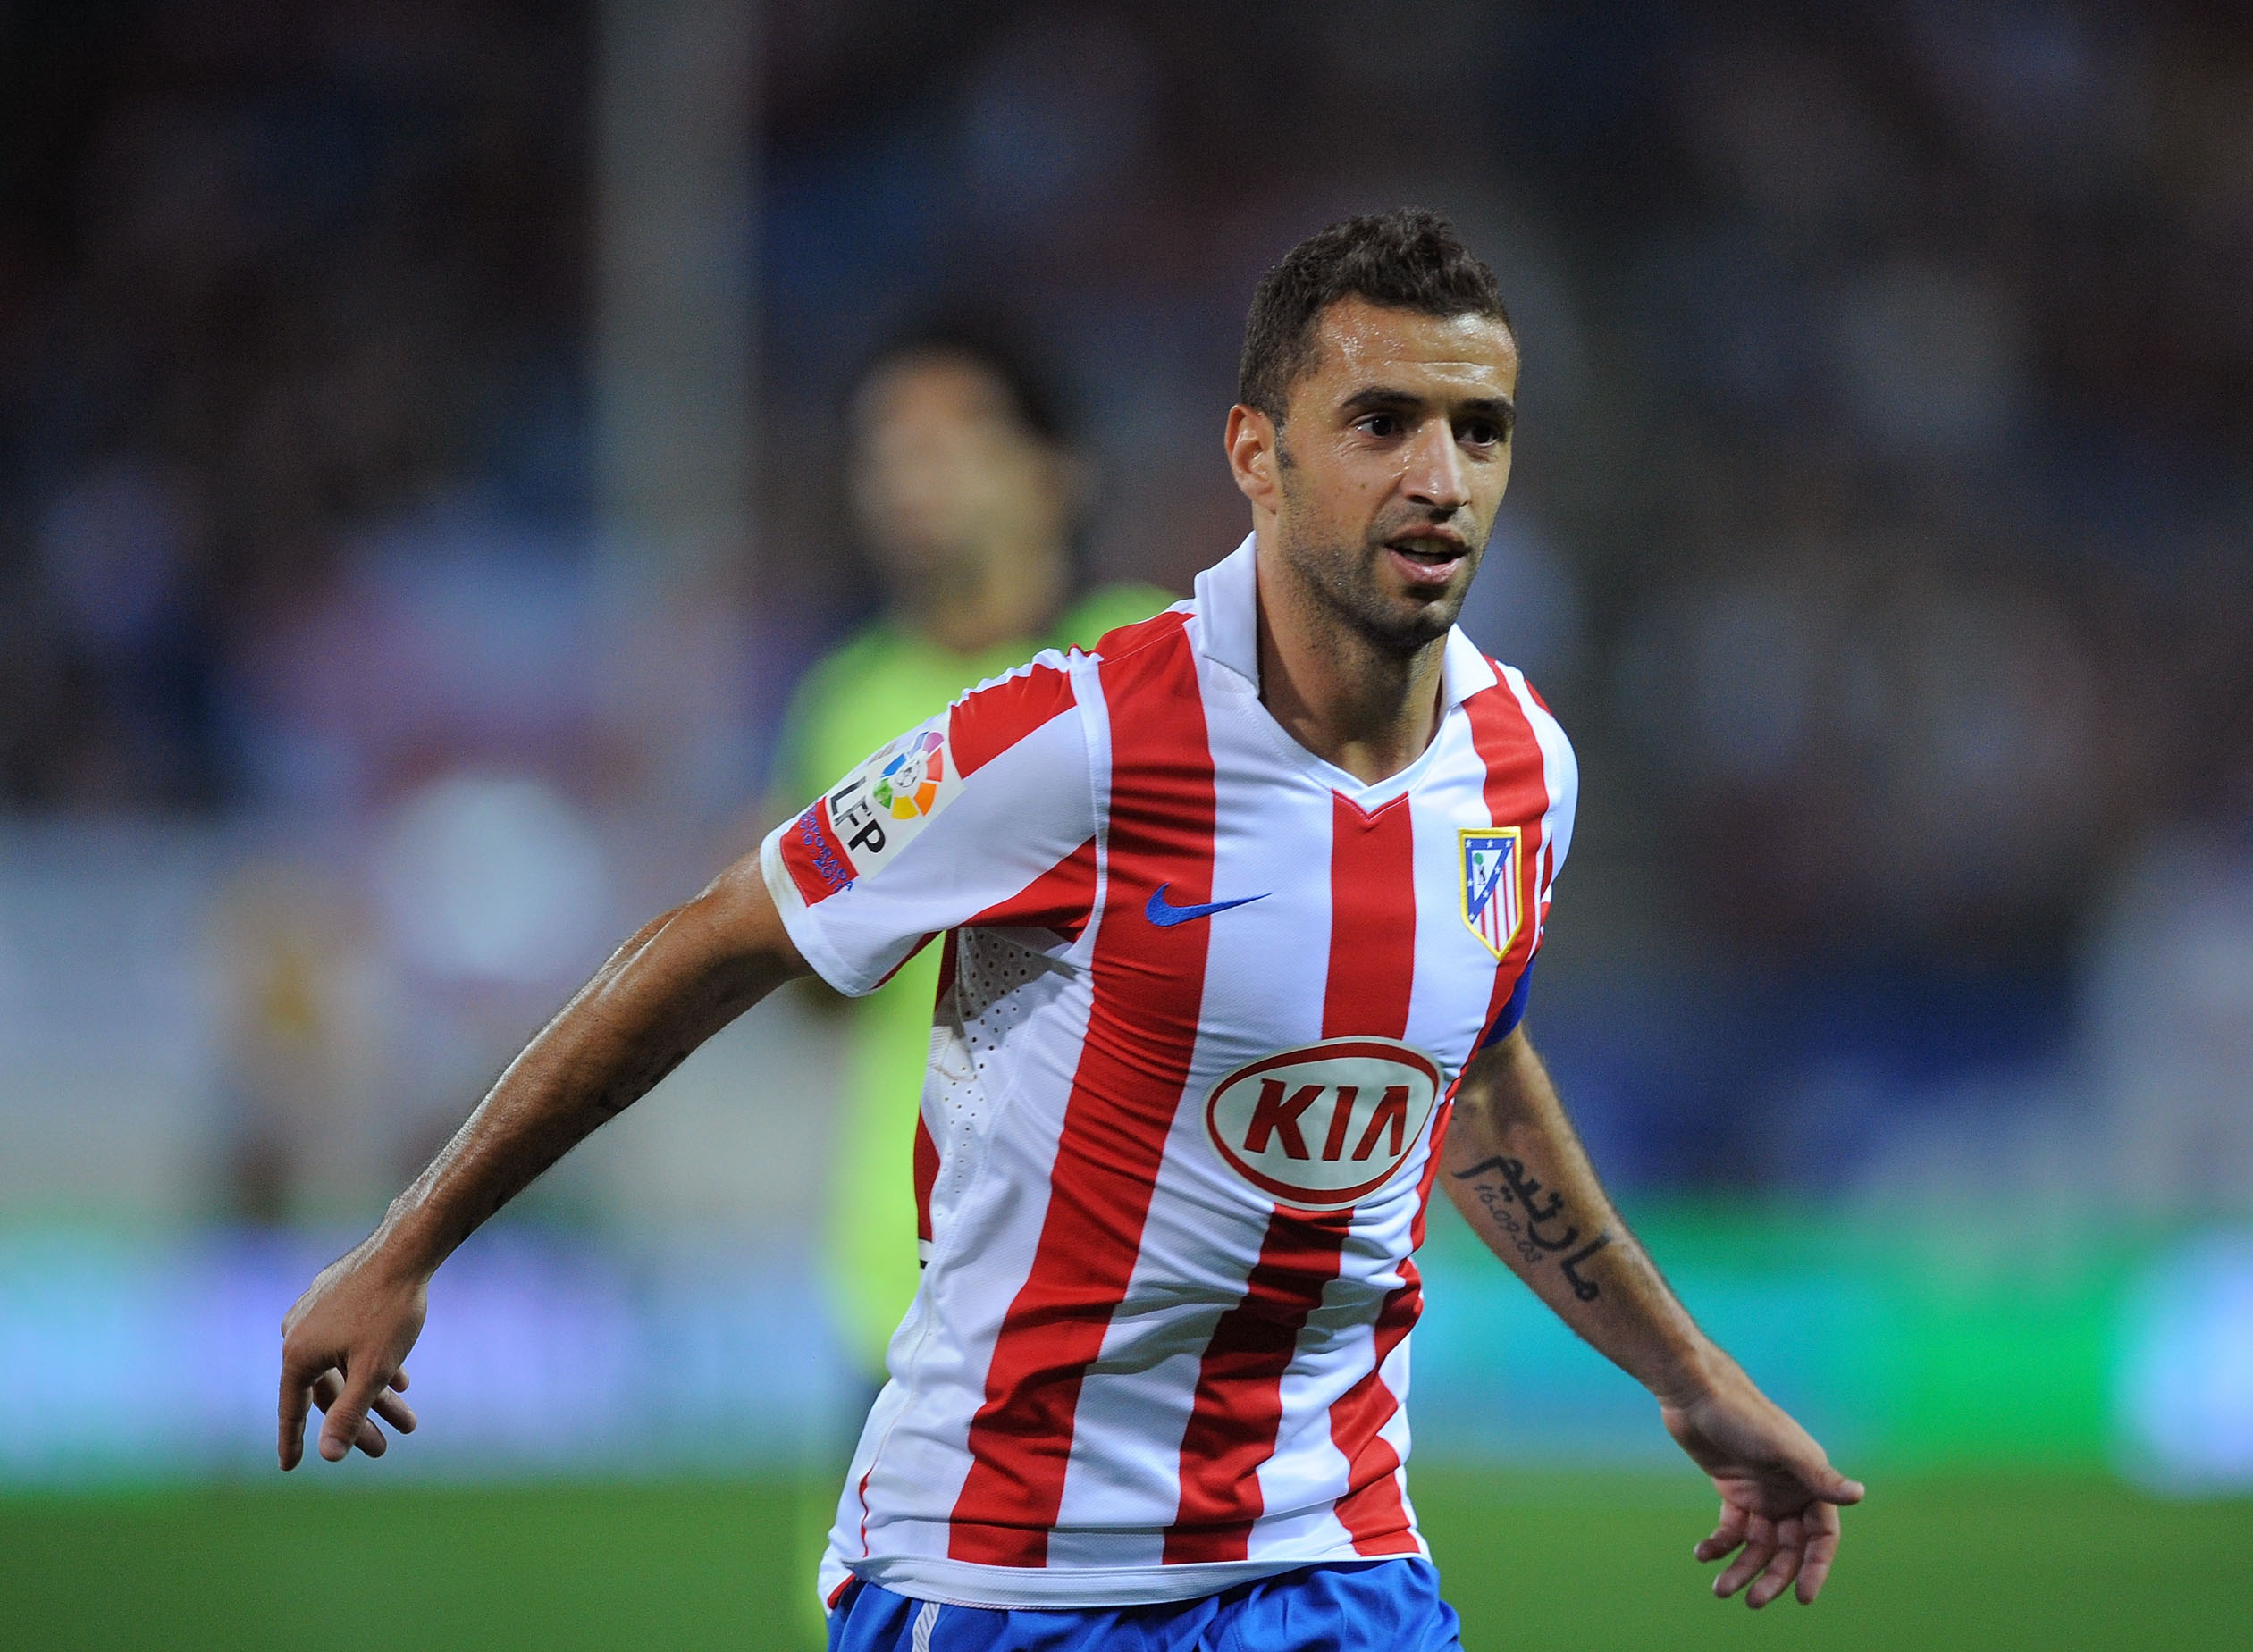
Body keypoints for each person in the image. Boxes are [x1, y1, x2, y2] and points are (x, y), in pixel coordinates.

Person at [277, 209, 1863, 1650]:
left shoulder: (1526, 769)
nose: (1438, 477)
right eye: (1380, 423)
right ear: (1257, 450)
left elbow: (1474, 1077)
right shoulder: (1075, 737)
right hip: (1009, 1571)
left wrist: (1691, 1376)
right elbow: (709, 943)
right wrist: (408, 1242)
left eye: (1480, 429)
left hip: (1333, 1554)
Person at [777, 324, 1171, 1377]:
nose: (914, 476)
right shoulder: (846, 701)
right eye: (889, 448)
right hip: (895, 1276)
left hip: (1115, 1275)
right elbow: (816, 985)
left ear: (1054, 474)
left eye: (954, 439)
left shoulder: (1145, 667)